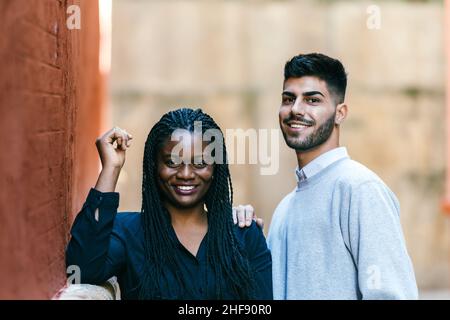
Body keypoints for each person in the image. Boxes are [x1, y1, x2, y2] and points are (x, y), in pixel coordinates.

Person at [235, 53, 418, 300]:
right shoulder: (284, 209)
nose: (296, 109)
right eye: (289, 99)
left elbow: (391, 295)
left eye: (312, 100)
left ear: (340, 113)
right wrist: (243, 237)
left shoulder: (360, 189)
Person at [66, 108, 272, 300]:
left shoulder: (243, 234)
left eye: (200, 163)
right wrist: (111, 167)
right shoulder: (128, 233)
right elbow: (81, 268)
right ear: (155, 166)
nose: (185, 174)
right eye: (172, 162)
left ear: (215, 169)